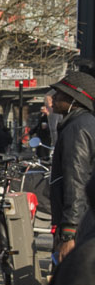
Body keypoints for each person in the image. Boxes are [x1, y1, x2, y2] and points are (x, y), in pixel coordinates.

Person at [47, 71, 95, 258]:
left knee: (70, 280)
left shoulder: (76, 130)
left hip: (82, 224)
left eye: (59, 93)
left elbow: (75, 181)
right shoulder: (87, 123)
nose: (53, 97)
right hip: (87, 219)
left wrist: (69, 232)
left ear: (74, 100)